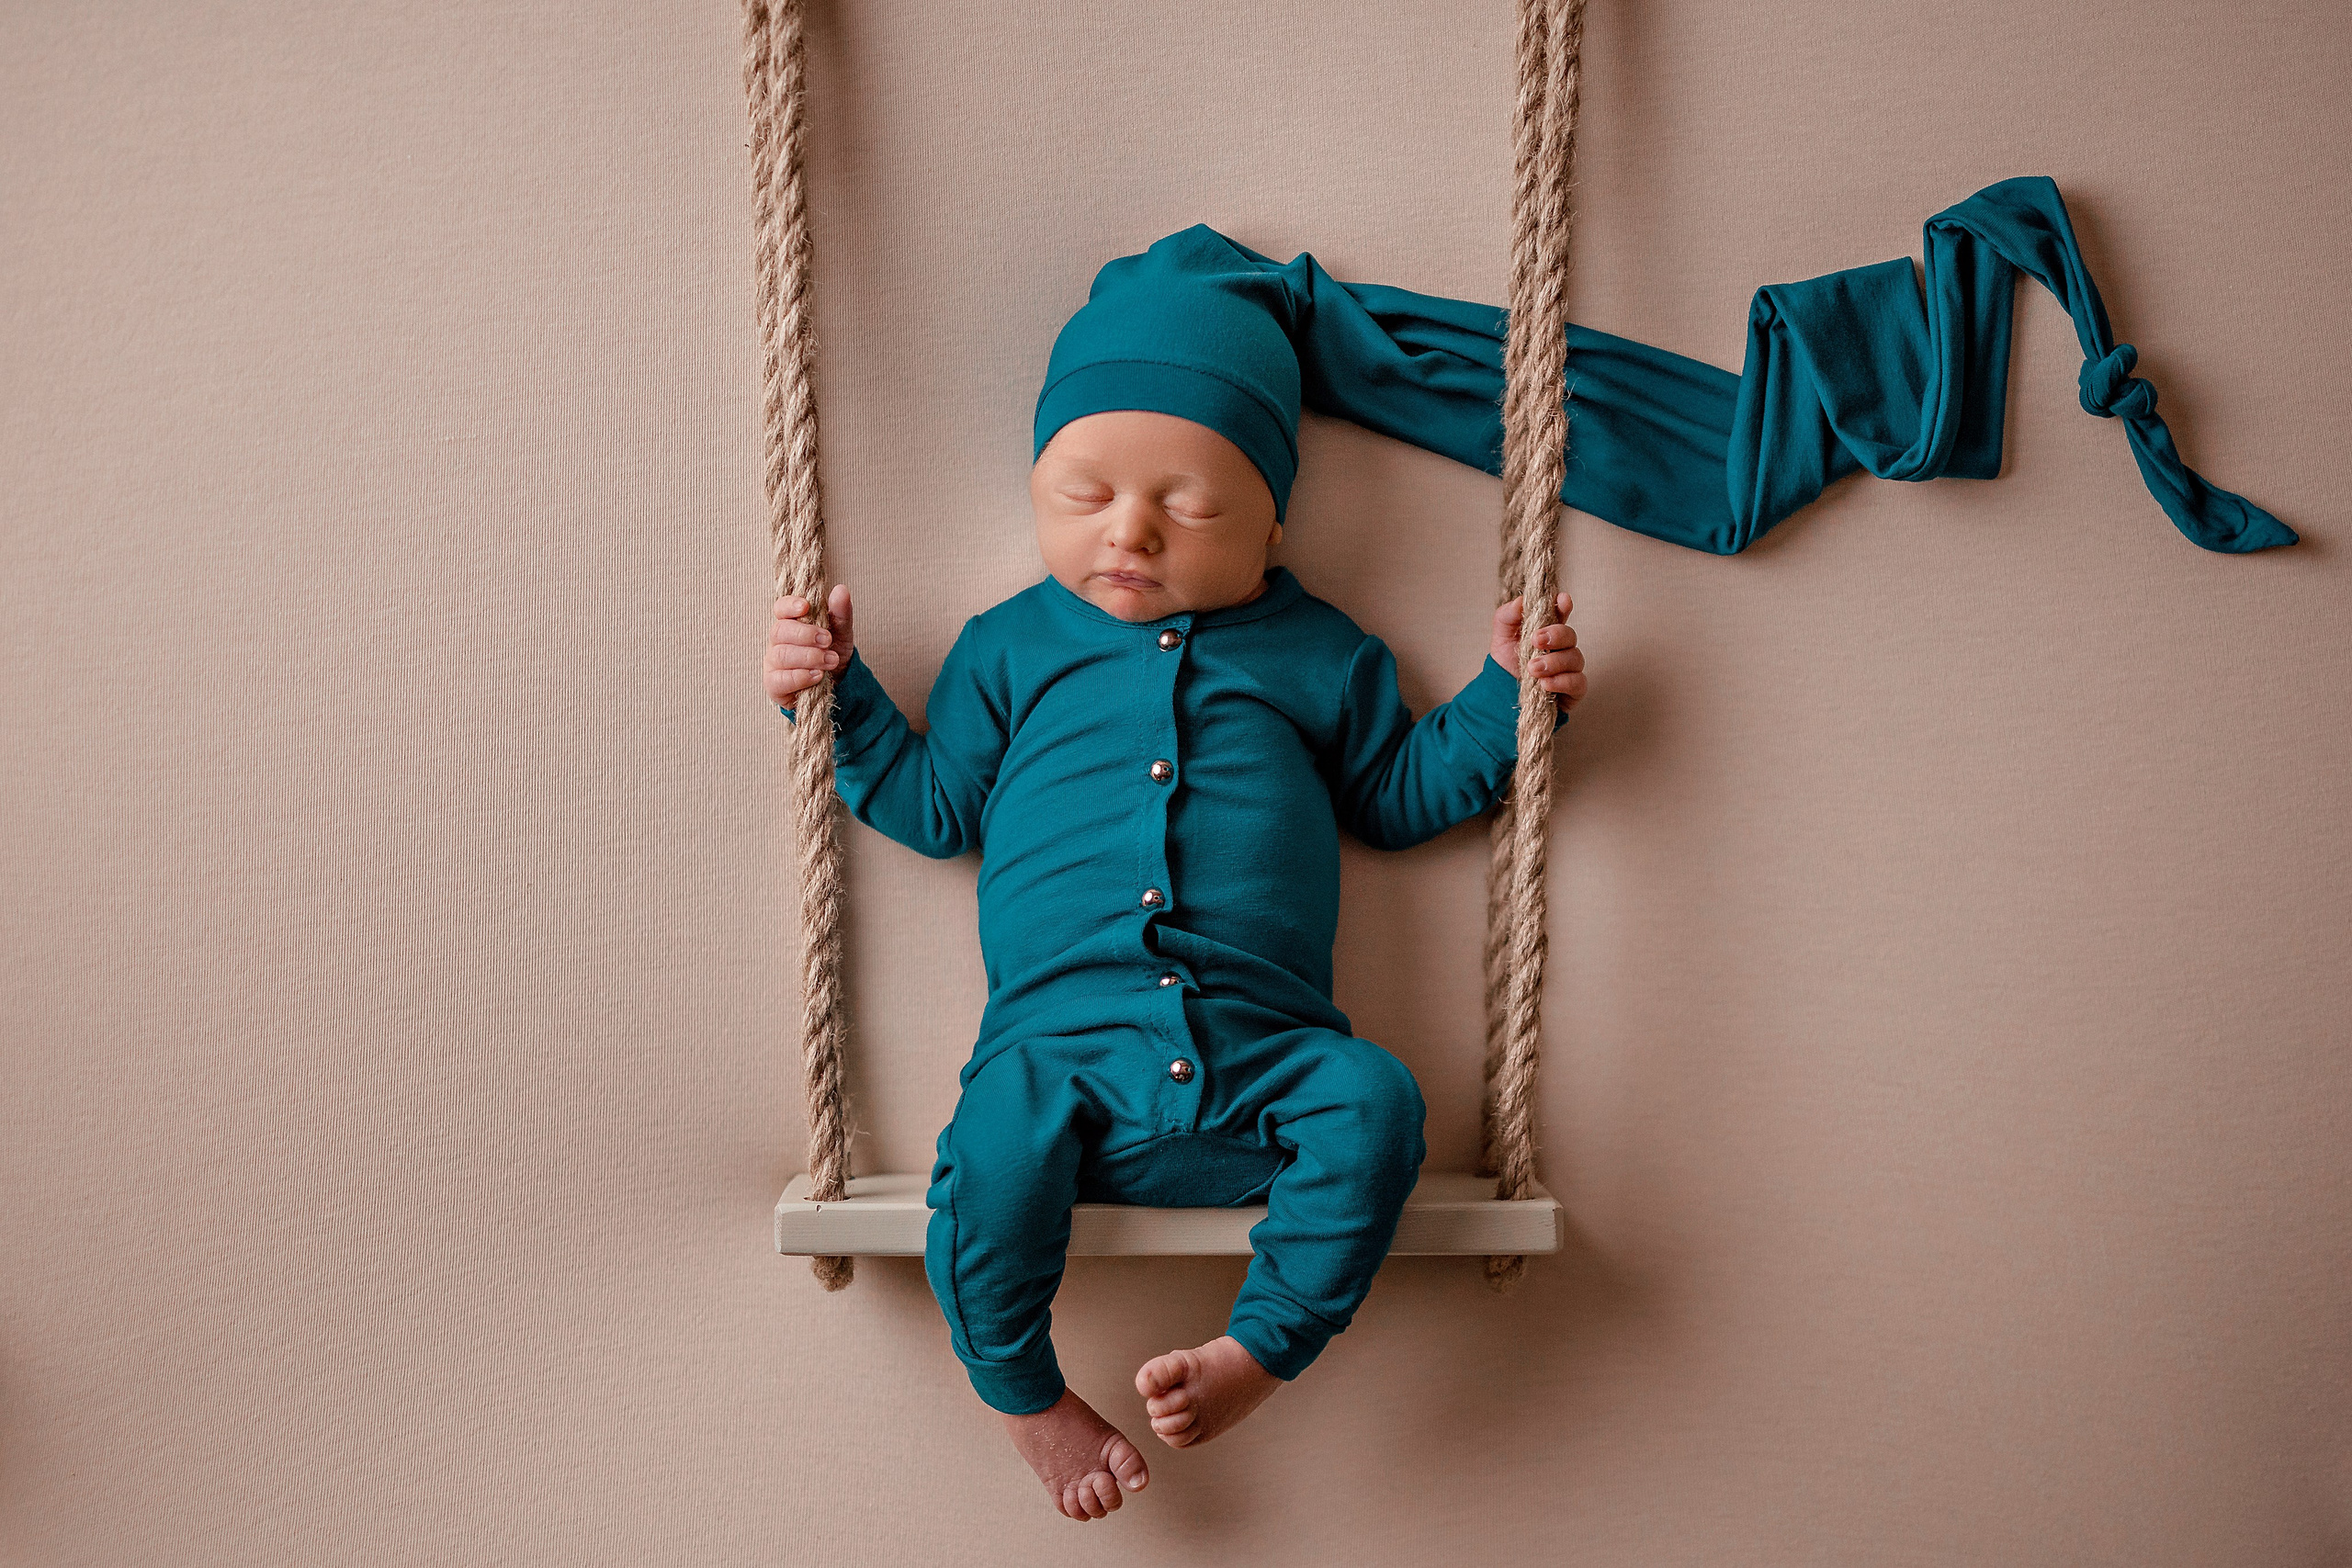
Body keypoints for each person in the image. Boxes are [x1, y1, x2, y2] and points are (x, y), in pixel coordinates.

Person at [763, 227, 1585, 1522]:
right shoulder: (1007, 649)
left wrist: (1505, 703)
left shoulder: (1319, 649)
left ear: (1271, 517)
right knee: (986, 1157)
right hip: (1061, 1050)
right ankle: (1026, 1395)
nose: (1130, 532)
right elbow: (931, 807)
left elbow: (1398, 796)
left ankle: (1260, 1349)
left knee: (1375, 1104)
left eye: (1189, 504)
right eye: (1082, 494)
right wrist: (835, 698)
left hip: (1269, 1052)